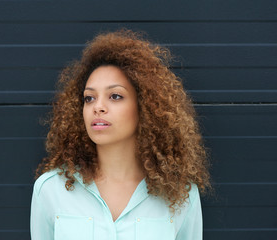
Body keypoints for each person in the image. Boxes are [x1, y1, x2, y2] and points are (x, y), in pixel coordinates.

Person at [30, 29, 211, 240]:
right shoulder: (50, 190)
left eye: (115, 96)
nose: (98, 107)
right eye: (89, 98)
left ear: (145, 107)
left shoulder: (181, 195)